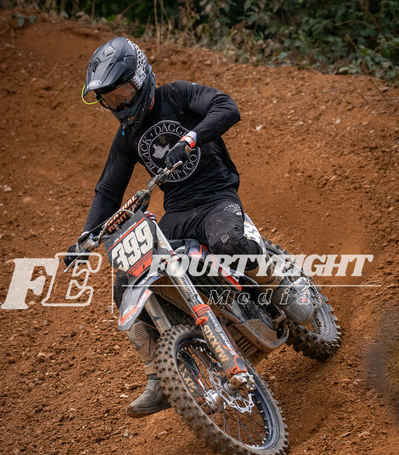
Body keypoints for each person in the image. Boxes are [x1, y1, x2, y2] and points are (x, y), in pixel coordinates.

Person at [65, 36, 313, 417]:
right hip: (178, 212)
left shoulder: (176, 96)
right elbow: (108, 191)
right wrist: (85, 238)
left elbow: (226, 107)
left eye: (123, 94)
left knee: (229, 242)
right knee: (127, 281)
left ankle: (282, 286)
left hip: (215, 196)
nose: (121, 106)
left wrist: (191, 137)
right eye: (111, 101)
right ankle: (159, 374)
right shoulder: (127, 137)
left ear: (140, 78)